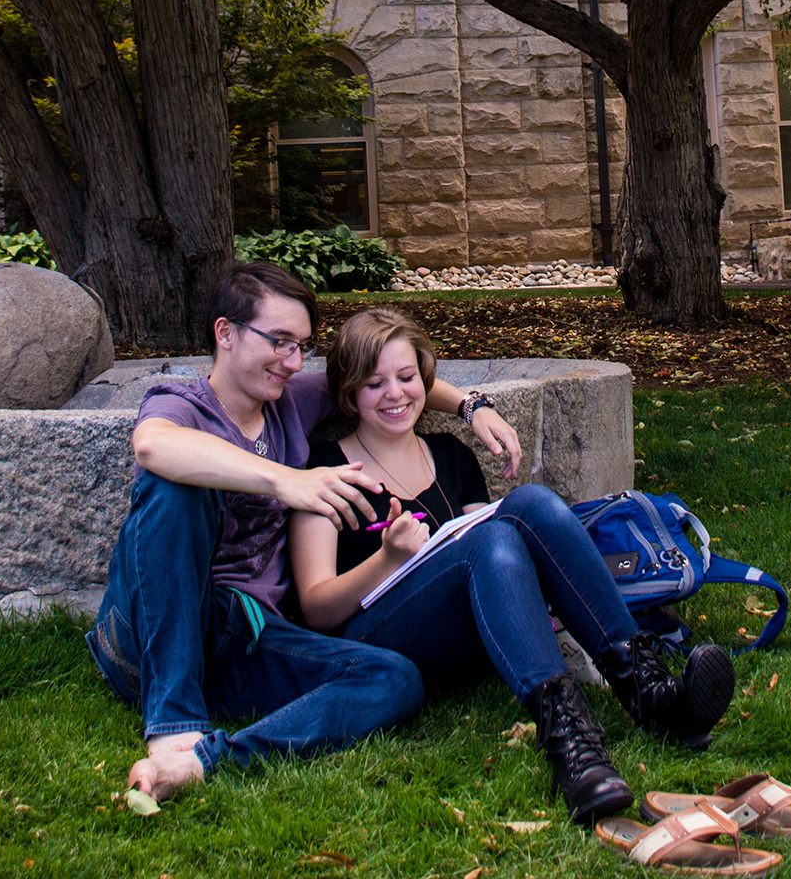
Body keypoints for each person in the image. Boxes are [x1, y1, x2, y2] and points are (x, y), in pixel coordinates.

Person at [86, 263, 524, 802]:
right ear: (226, 333)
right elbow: (153, 446)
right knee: (175, 486)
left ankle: (210, 760)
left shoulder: (289, 400)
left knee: (394, 678)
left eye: (301, 346)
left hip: (241, 641)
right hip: (151, 635)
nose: (293, 362)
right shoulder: (181, 405)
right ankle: (173, 725)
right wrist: (285, 482)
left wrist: (471, 406)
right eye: (279, 342)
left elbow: (383, 380)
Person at [288, 308, 736, 824]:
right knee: (493, 538)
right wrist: (388, 558)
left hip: (469, 633)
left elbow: (497, 550)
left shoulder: (450, 455)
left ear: (425, 377)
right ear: (348, 393)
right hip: (381, 641)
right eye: (374, 384)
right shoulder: (327, 469)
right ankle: (571, 744)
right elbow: (317, 608)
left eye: (407, 377)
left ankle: (645, 687)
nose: (395, 394)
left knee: (532, 505)